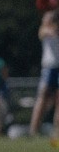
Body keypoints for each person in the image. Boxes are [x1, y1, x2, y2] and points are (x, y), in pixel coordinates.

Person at [30, 10, 57, 140]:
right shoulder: (44, 30)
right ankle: (33, 130)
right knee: (42, 97)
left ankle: (57, 132)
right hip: (49, 67)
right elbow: (46, 32)